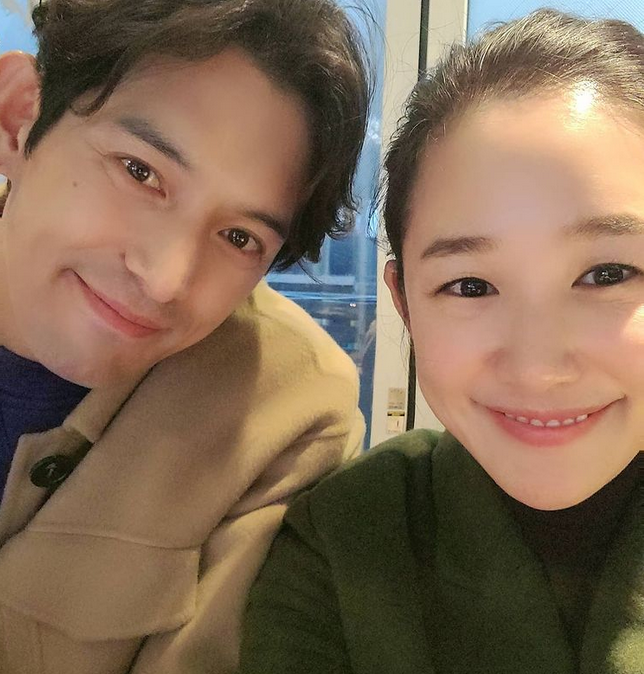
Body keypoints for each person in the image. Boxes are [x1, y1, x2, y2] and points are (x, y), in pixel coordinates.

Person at [239, 9, 644, 674]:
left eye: (608, 274)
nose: (537, 368)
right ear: (404, 303)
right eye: (470, 286)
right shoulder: (347, 538)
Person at [0, 0, 370, 671]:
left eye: (239, 237)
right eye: (140, 172)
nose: (166, 278)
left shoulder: (286, 409)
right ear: (20, 117)